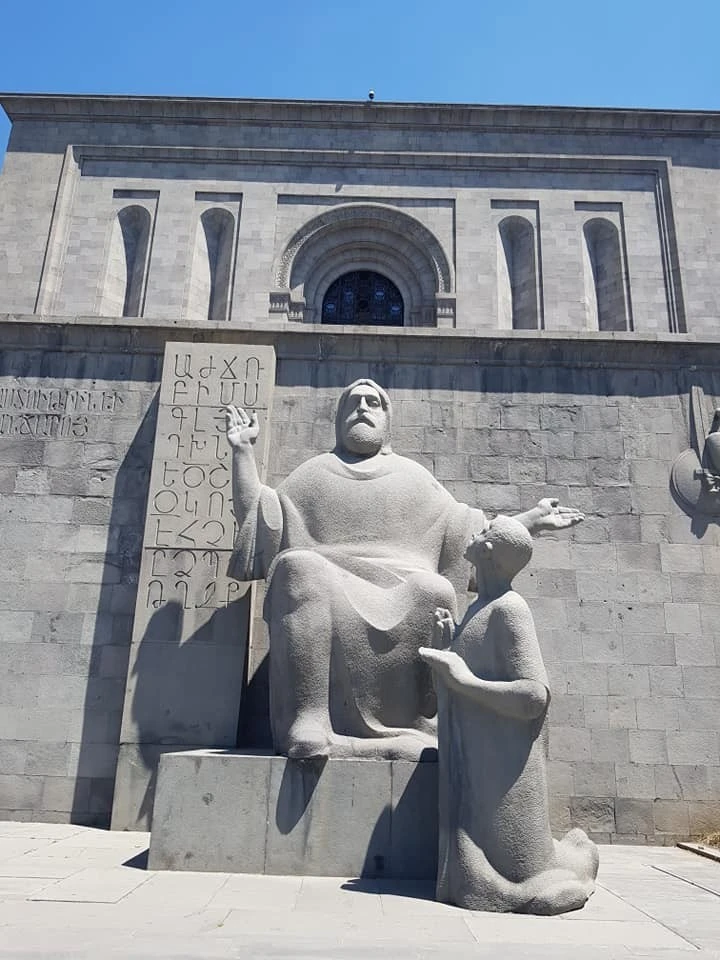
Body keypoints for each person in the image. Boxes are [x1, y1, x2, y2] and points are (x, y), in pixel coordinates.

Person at [226, 379, 582, 760]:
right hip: (326, 587)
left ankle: (418, 722)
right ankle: (309, 721)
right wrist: (243, 451)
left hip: (403, 591)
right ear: (339, 419)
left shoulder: (413, 478)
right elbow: (260, 522)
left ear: (387, 419)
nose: (363, 408)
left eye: (373, 402)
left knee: (435, 590)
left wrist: (528, 522)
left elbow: (473, 538)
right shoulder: (312, 475)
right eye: (354, 402)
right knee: (297, 567)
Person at [419, 517, 598, 914]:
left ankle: (572, 866)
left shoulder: (510, 609)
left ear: (487, 553)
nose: (475, 531)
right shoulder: (478, 609)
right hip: (477, 769)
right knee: (485, 865)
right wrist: (446, 648)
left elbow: (534, 696)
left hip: (504, 775)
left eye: (485, 529)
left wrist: (463, 679)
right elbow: (449, 692)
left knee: (519, 871)